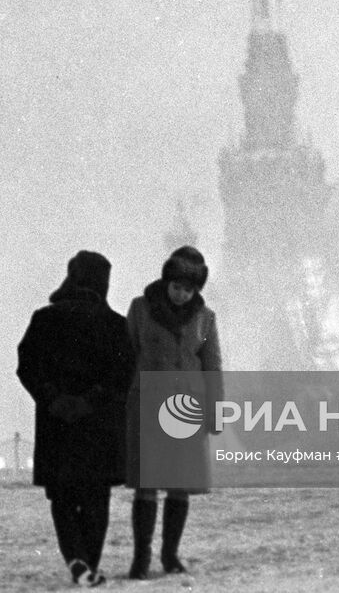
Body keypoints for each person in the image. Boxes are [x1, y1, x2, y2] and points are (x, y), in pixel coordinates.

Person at [17, 250, 135, 587]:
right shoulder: (115, 326)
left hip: (58, 428)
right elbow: (123, 375)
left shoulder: (44, 319)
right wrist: (91, 400)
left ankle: (77, 563)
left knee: (64, 499)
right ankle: (88, 565)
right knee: (97, 499)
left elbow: (27, 367)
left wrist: (54, 399)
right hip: (99, 427)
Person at [125, 245, 222, 579]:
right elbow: (129, 353)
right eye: (177, 286)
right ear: (166, 282)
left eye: (189, 289)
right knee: (147, 485)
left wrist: (215, 411)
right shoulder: (139, 309)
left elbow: (212, 365)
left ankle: (170, 555)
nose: (182, 294)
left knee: (179, 484)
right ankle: (141, 558)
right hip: (149, 404)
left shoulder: (206, 318)